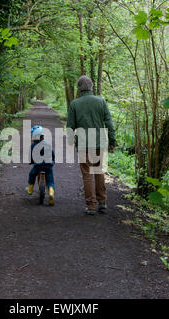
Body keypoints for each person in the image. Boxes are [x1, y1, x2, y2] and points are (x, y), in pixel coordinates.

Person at [67, 75, 116, 215]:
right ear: (91, 87)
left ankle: (91, 206)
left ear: (79, 88)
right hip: (99, 142)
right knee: (99, 171)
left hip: (83, 143)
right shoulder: (101, 101)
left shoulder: (74, 104)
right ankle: (102, 202)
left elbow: (70, 126)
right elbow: (109, 123)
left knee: (87, 174)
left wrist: (71, 141)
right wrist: (112, 141)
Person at [27, 125, 55, 206]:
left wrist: (31, 162)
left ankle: (30, 189)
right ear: (42, 135)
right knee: (50, 181)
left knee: (31, 174)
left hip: (38, 166)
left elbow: (30, 156)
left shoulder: (33, 145)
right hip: (48, 166)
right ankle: (51, 193)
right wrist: (53, 161)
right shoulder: (47, 144)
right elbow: (52, 153)